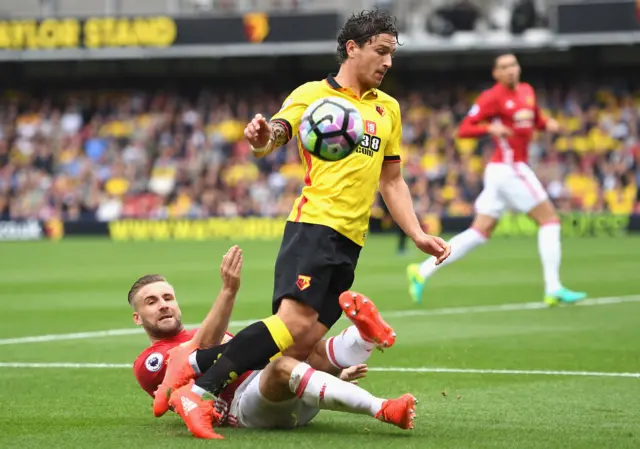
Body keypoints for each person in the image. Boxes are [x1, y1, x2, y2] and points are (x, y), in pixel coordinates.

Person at [162, 8, 450, 438]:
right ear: (352, 48)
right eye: (381, 51)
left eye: (393, 54)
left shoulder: (388, 109)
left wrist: (417, 232)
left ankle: (200, 368)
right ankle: (199, 391)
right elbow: (278, 130)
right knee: (292, 325)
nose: (389, 62)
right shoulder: (314, 94)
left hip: (350, 241)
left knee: (297, 344)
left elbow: (392, 180)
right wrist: (265, 138)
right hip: (313, 226)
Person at [131, 246, 416, 440]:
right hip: (242, 408)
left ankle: (363, 339)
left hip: (286, 395)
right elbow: (200, 350)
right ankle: (383, 407)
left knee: (302, 345)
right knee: (280, 362)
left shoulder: (200, 331)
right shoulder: (150, 361)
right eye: (151, 302)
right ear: (137, 317)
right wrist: (229, 291)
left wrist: (336, 376)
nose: (163, 306)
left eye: (168, 298)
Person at [407, 53, 587, 306]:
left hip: (503, 171)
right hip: (509, 167)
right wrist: (489, 128)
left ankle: (422, 270)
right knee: (550, 221)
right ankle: (553, 287)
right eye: (504, 67)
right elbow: (465, 129)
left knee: (479, 232)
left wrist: (549, 125)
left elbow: (535, 120)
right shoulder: (492, 97)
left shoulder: (526, 91)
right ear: (496, 73)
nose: (511, 70)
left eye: (513, 64)